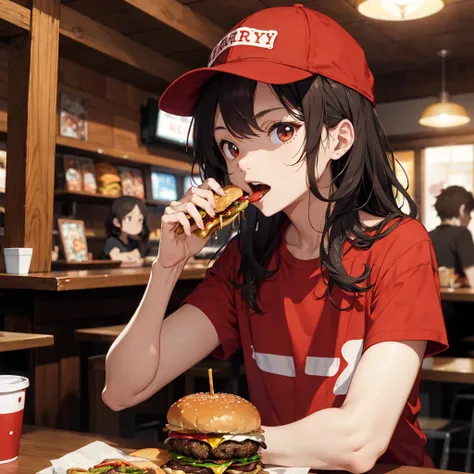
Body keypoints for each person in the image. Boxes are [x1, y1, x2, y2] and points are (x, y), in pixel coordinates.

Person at [102, 5, 448, 472]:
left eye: (281, 130)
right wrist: (166, 268)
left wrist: (214, 445)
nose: (245, 163)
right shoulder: (245, 261)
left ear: (339, 139)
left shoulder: (400, 247)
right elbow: (122, 390)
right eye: (231, 144)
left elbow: (358, 441)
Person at [429, 185, 474, 287]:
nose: (470, 218)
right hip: (457, 301)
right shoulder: (462, 233)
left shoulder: (428, 235)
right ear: (462, 210)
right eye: (469, 212)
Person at [103, 196, 149, 265]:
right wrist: (131, 257)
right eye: (129, 218)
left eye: (140, 220)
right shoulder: (112, 241)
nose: (135, 224)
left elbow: (139, 258)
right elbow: (116, 258)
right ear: (117, 222)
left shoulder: (134, 242)